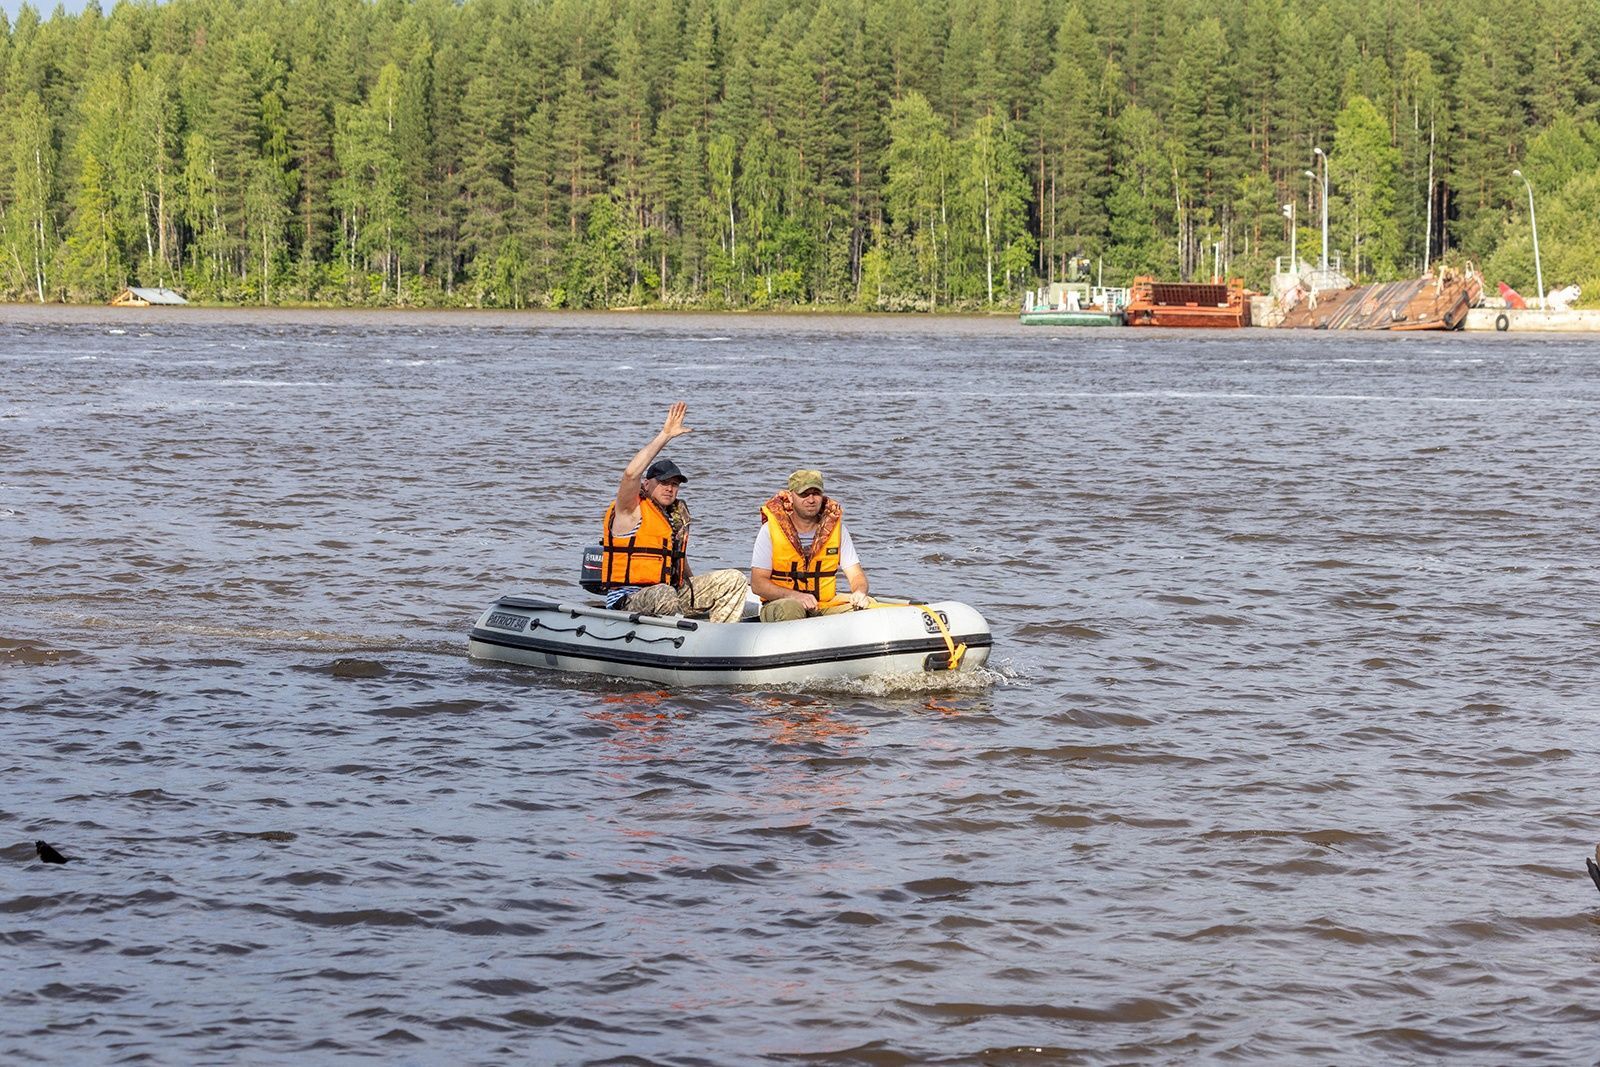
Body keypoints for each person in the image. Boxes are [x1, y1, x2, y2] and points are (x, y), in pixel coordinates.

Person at [598, 402, 749, 623]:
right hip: (629, 599)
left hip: (671, 594)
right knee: (664, 593)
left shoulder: (673, 517)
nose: (670, 488)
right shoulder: (630, 509)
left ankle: (717, 638)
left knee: (734, 579)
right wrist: (665, 435)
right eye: (664, 482)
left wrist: (698, 589)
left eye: (675, 484)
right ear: (647, 484)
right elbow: (631, 474)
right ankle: (675, 643)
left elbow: (677, 560)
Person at [750, 469, 872, 623]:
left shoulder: (838, 530)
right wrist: (795, 596)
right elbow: (757, 584)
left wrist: (859, 592)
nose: (811, 499)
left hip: (823, 605)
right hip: (779, 604)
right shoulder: (770, 530)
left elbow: (856, 575)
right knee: (791, 608)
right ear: (791, 496)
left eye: (816, 493)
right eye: (804, 494)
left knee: (869, 607)